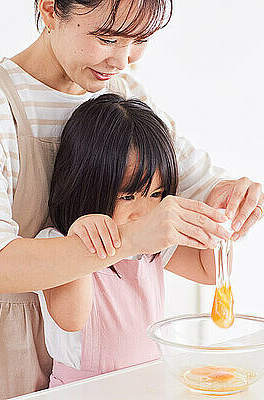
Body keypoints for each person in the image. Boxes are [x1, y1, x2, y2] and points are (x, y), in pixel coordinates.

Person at [0, 0, 264, 399]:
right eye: (107, 37)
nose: (122, 59)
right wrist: (128, 240)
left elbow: (194, 178)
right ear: (49, 10)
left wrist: (231, 197)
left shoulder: (122, 91)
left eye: (139, 39)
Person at [38, 92, 225, 386]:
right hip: (83, 392)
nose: (144, 212)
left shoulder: (150, 247)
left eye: (156, 195)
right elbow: (70, 318)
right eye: (128, 195)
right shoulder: (57, 243)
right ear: (86, 184)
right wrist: (81, 243)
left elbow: (208, 271)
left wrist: (219, 217)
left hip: (148, 384)